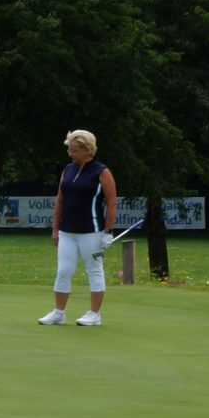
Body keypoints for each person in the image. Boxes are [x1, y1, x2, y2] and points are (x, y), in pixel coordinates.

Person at [42, 128, 118, 327]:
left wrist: (108, 232)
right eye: (69, 149)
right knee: (64, 270)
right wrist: (55, 228)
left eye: (74, 150)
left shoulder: (101, 171)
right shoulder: (68, 170)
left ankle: (94, 314)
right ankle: (59, 312)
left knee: (94, 270)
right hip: (67, 231)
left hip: (92, 231)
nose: (70, 154)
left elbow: (111, 203)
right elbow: (60, 200)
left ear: (87, 149)